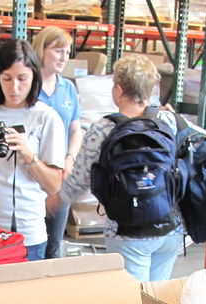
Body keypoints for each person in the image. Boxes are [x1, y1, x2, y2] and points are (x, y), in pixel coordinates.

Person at [54, 53, 187, 282]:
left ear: (118, 90)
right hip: (171, 227)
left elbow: (81, 177)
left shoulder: (104, 128)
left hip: (128, 231)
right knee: (157, 298)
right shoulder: (169, 120)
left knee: (131, 302)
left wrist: (56, 200)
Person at [0, 38, 65, 261]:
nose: (14, 87)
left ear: (34, 76)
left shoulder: (46, 117)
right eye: (6, 78)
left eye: (21, 79)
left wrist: (27, 154)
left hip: (27, 233)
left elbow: (54, 185)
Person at [32, 26, 83, 259]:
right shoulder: (27, 87)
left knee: (53, 246)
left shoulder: (68, 89)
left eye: (67, 52)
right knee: (30, 246)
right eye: (58, 51)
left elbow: (76, 130)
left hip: (60, 177)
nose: (64, 58)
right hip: (31, 176)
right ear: (42, 50)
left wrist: (70, 158)